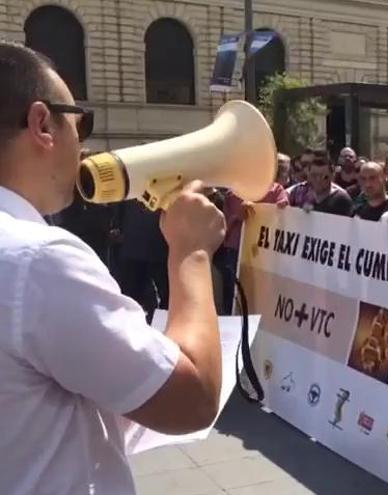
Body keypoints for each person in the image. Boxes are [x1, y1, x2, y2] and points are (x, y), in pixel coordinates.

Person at [0, 41, 225, 492]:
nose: (82, 146)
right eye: (80, 122)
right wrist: (191, 252)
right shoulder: (38, 259)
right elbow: (192, 400)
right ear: (42, 123)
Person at [221, 166, 289, 314]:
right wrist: (238, 215)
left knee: (259, 294)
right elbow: (225, 227)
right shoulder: (234, 192)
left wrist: (281, 206)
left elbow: (283, 207)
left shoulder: (276, 190)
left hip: (263, 253)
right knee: (233, 295)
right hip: (236, 251)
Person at [288, 151, 354, 216]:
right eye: (314, 175)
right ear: (308, 174)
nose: (318, 180)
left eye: (324, 177)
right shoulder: (298, 193)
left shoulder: (341, 200)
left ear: (332, 176)